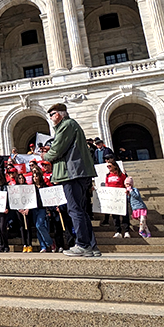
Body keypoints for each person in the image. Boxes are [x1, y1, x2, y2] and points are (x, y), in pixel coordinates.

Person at [42, 103, 100, 257]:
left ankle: (82, 244)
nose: (51, 117)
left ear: (60, 114)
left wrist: (45, 156)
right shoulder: (70, 125)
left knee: (74, 209)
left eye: (52, 114)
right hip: (78, 173)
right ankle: (91, 246)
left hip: (72, 173)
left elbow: (57, 150)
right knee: (81, 210)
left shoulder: (66, 125)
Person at [104, 157, 131, 238]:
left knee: (125, 214)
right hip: (113, 197)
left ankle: (126, 231)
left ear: (115, 166)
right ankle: (118, 231)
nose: (108, 168)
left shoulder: (121, 175)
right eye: (107, 166)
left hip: (121, 196)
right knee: (115, 215)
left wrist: (127, 190)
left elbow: (127, 184)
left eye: (110, 166)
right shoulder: (108, 175)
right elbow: (106, 185)